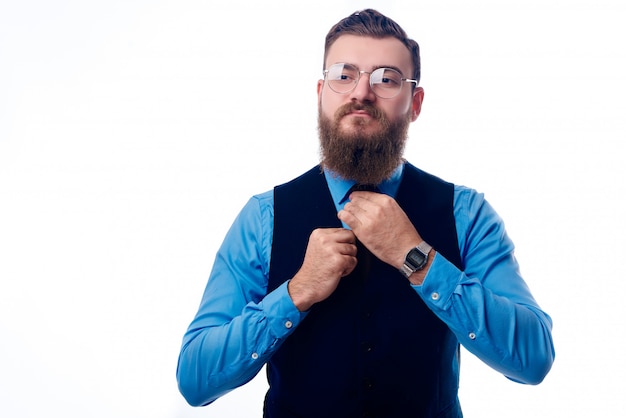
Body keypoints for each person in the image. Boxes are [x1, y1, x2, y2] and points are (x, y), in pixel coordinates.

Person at [176, 9, 554, 418]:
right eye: (344, 75)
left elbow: (533, 359)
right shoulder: (263, 218)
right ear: (321, 92)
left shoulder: (466, 213)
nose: (361, 93)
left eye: (386, 79)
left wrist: (418, 258)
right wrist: (295, 292)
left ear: (416, 102)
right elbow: (195, 379)